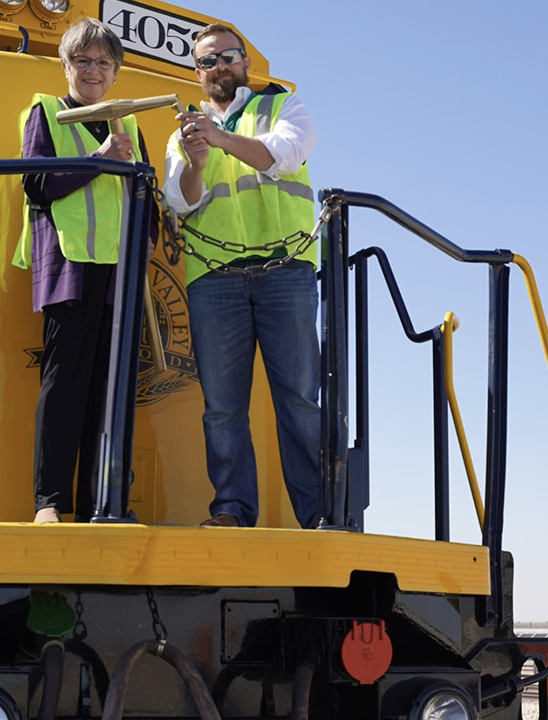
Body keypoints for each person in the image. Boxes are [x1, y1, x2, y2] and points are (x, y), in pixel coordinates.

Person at [162, 24, 321, 529]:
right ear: (197, 73)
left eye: (227, 57)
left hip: (286, 272)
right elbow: (178, 200)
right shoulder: (183, 133)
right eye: (207, 62)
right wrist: (194, 163)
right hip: (214, 279)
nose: (219, 67)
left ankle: (321, 513)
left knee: (298, 399)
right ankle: (231, 508)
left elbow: (284, 156)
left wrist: (218, 137)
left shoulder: (283, 107)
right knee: (222, 407)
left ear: (245, 61)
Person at [14, 19, 156, 524]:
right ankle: (50, 502)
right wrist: (99, 159)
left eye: (102, 62)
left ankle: (105, 503)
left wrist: (148, 243)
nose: (92, 70)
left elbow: (145, 193)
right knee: (64, 384)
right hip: (69, 265)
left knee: (111, 388)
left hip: (120, 270)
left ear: (116, 71)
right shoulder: (47, 112)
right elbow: (34, 184)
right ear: (66, 66)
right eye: (83, 61)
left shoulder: (130, 123)